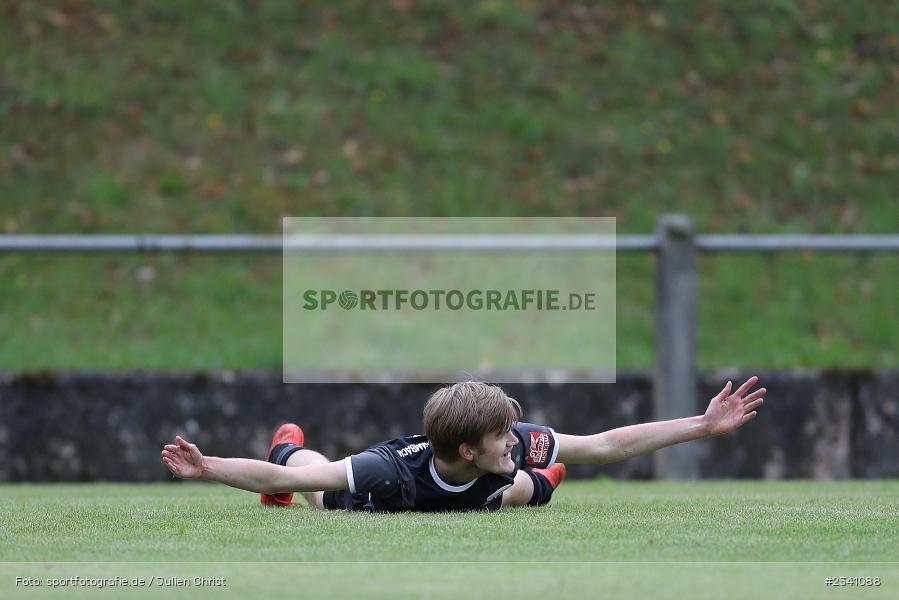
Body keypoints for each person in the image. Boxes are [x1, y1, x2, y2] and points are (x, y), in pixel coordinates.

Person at [161, 377, 766, 512]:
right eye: (502, 434)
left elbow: (607, 444)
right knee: (313, 480)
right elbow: (280, 487)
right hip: (374, 499)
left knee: (520, 483)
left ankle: (536, 487)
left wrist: (702, 425)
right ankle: (286, 444)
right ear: (468, 449)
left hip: (478, 484)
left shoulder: (510, 446)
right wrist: (208, 466)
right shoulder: (384, 472)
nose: (517, 438)